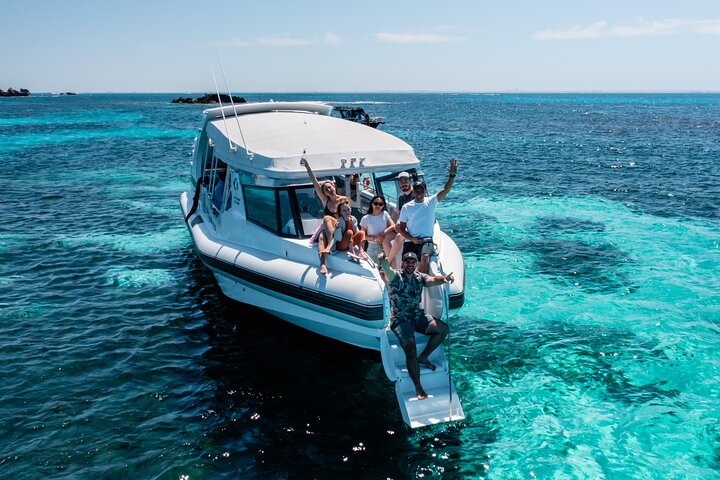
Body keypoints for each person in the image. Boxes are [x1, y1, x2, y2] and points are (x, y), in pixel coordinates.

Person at [378, 251, 454, 400]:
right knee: (410, 347)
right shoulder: (396, 277)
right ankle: (418, 387)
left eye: (413, 262)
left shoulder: (420, 278)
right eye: (407, 261)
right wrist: (384, 262)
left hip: (417, 316)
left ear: (416, 264)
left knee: (443, 329)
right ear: (402, 263)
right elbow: (387, 270)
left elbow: (433, 280)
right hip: (401, 319)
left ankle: (424, 356)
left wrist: (445, 279)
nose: (410, 264)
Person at [396, 158, 459, 273]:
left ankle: (420, 282)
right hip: (411, 241)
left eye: (421, 190)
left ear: (425, 191)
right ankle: (405, 283)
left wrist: (452, 175)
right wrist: (412, 239)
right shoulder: (406, 207)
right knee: (406, 261)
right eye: (417, 191)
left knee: (425, 257)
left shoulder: (431, 202)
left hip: (426, 241)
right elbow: (401, 228)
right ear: (413, 192)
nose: (419, 193)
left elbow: (446, 189)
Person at [317, 198, 366, 274]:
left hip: (350, 242)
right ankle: (352, 252)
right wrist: (337, 228)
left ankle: (361, 251)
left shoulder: (353, 219)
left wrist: (359, 238)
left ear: (350, 209)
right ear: (340, 212)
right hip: (341, 244)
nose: (347, 212)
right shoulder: (340, 221)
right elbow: (337, 238)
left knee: (362, 232)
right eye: (344, 210)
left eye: (348, 209)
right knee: (349, 232)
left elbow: (357, 232)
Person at [387, 171, 415, 266]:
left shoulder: (416, 195)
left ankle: (387, 262)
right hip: (404, 226)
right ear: (398, 184)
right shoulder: (401, 198)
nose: (404, 183)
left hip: (413, 226)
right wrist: (398, 223)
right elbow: (400, 215)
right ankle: (393, 266)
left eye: (405, 180)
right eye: (401, 182)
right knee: (386, 238)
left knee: (399, 236)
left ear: (410, 181)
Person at [360, 195, 395, 262]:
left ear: (383, 206)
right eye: (376, 203)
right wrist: (375, 238)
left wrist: (381, 235)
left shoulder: (385, 214)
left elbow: (393, 225)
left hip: (385, 245)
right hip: (373, 247)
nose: (378, 206)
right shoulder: (366, 218)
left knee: (386, 269)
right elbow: (362, 236)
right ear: (372, 204)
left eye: (380, 204)